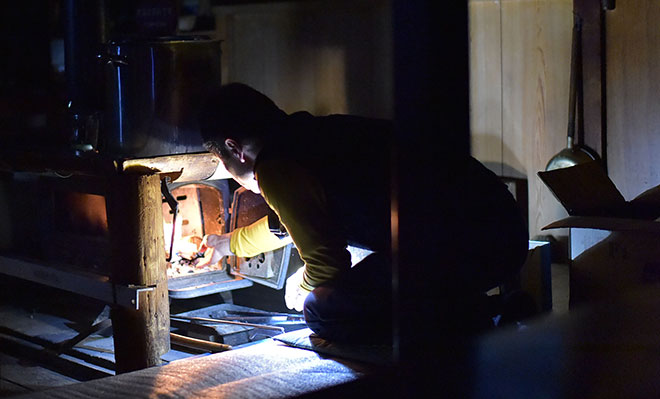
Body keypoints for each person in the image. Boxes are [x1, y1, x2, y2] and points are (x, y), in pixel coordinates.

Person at [197, 83, 528, 344]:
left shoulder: (275, 167)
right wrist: (228, 243)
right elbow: (289, 222)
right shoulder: (308, 135)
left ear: (234, 148)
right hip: (503, 229)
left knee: (320, 310)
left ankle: (476, 323)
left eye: (225, 164)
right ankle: (488, 312)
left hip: (468, 250)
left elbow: (328, 264)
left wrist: (305, 285)